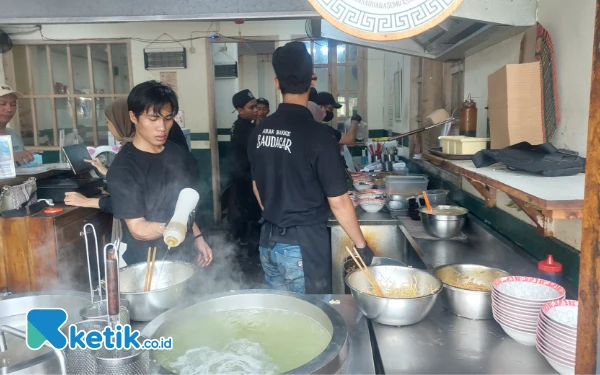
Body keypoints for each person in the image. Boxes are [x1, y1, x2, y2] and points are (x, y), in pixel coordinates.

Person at [248, 41, 373, 294]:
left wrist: (277, 212)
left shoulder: (259, 130)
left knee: (283, 316)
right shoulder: (318, 136)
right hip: (301, 247)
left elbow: (257, 186)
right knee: (311, 318)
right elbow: (338, 201)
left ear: (276, 83)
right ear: (311, 81)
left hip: (268, 241)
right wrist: (361, 245)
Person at [106, 81, 213, 267]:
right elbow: (138, 228)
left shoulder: (177, 153)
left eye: (168, 118)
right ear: (133, 116)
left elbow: (185, 206)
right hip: (147, 262)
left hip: (185, 254)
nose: (162, 127)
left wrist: (198, 237)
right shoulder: (124, 168)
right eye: (153, 119)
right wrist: (173, 229)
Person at [64, 98, 190, 211]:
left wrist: (87, 201)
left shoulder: (139, 150)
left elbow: (138, 201)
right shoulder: (151, 146)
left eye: (109, 122)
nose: (109, 128)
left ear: (127, 120)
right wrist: (107, 172)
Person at [228, 89, 261, 251]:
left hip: (247, 175)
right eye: (251, 108)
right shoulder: (242, 129)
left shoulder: (249, 126)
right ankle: (248, 247)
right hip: (245, 177)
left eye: (256, 106)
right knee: (248, 212)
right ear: (240, 110)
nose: (256, 110)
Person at [0, 85, 36, 166]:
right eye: (2, 103)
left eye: (13, 104)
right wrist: (12, 158)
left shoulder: (12, 133)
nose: (9, 109)